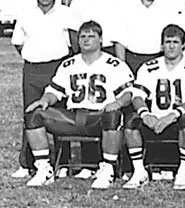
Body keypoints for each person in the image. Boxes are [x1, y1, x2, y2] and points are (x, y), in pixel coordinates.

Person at [23, 21, 134, 189]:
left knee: (114, 116)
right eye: (83, 36)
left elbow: (128, 93)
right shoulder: (69, 64)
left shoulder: (114, 64)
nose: (86, 40)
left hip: (99, 117)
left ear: (101, 40)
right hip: (73, 117)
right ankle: (44, 168)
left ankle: (107, 168)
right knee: (34, 114)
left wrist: (117, 103)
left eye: (91, 36)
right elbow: (55, 90)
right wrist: (44, 100)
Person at [124, 25, 185, 190]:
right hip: (155, 118)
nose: (171, 46)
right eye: (167, 42)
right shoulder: (149, 67)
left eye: (175, 42)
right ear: (161, 45)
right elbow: (137, 95)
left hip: (178, 118)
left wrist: (173, 115)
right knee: (131, 122)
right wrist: (145, 113)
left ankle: (183, 170)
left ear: (183, 45)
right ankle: (139, 171)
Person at [10, 0, 78, 177]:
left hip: (57, 67)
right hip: (32, 69)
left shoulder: (66, 13)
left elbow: (74, 42)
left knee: (59, 114)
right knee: (31, 113)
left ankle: (63, 162)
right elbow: (18, 42)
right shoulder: (26, 14)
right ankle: (28, 164)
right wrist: (32, 55)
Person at [119, 0, 184, 70]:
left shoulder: (168, 8)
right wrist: (122, 67)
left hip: (158, 59)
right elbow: (120, 41)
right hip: (132, 60)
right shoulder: (127, 7)